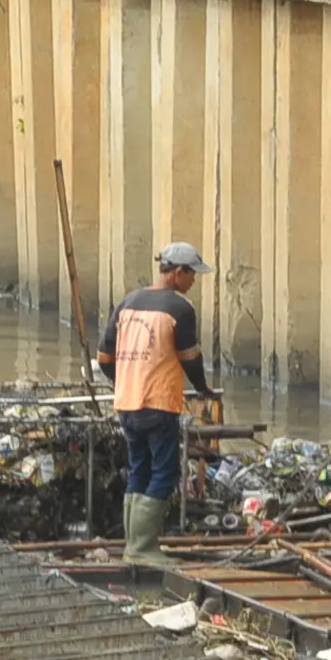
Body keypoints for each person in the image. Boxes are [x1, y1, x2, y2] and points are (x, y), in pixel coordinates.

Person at [99, 241, 218, 565]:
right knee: (164, 473)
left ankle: (132, 547)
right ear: (177, 272)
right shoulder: (179, 309)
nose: (193, 281)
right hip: (158, 402)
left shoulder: (127, 303)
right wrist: (203, 388)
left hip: (126, 401)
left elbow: (104, 357)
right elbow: (191, 359)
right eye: (192, 274)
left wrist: (125, 379)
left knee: (140, 468)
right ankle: (143, 549)